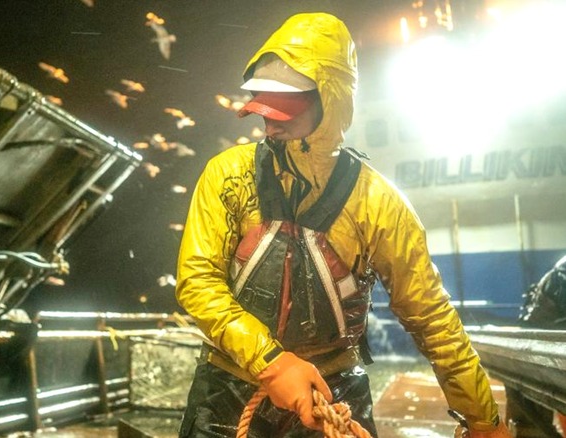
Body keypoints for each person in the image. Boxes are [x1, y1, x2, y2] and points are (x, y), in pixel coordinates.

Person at [175, 12, 511, 438]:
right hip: (227, 388)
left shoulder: (378, 204)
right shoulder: (227, 175)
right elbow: (198, 282)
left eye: (285, 109)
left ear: (330, 100)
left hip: (334, 393)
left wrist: (484, 421)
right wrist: (272, 363)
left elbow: (432, 319)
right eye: (264, 105)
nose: (269, 121)